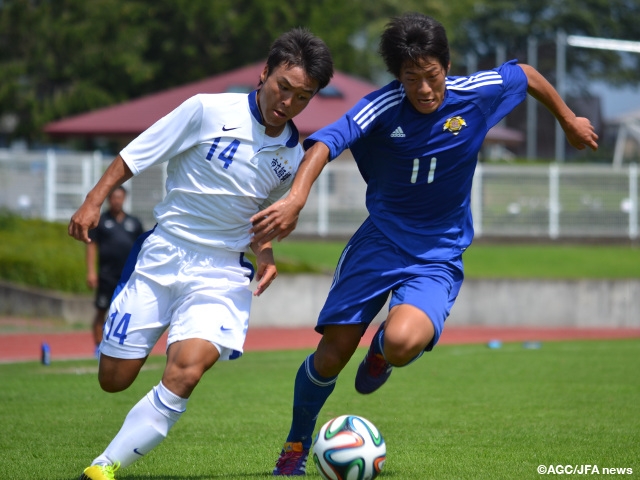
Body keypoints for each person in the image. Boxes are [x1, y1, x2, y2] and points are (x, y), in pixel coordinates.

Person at [249, 13, 599, 476]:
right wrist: (296, 198)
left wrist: (569, 119)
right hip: (380, 243)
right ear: (398, 77)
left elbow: (527, 74)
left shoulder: (476, 93)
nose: (425, 90)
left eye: (432, 76)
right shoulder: (381, 107)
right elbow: (323, 144)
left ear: (447, 66)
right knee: (332, 353)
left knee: (399, 342)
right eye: (411, 79)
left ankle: (381, 354)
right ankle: (296, 444)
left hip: (437, 253)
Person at [68, 27, 333, 480]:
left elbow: (258, 217)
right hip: (163, 254)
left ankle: (104, 466)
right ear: (264, 74)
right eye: (282, 88)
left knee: (186, 372)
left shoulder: (292, 157)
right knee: (113, 379)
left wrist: (265, 254)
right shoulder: (206, 109)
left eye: (302, 97)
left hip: (221, 273)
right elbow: (138, 153)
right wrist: (94, 199)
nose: (286, 103)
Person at [86, 186, 144, 356]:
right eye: (114, 198)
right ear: (109, 199)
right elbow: (91, 246)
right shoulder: (101, 221)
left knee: (128, 311)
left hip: (128, 277)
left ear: (124, 199)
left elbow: (142, 248)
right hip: (106, 275)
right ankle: (98, 348)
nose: (117, 201)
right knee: (101, 311)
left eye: (120, 197)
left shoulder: (134, 222)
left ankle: (125, 347)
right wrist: (91, 272)